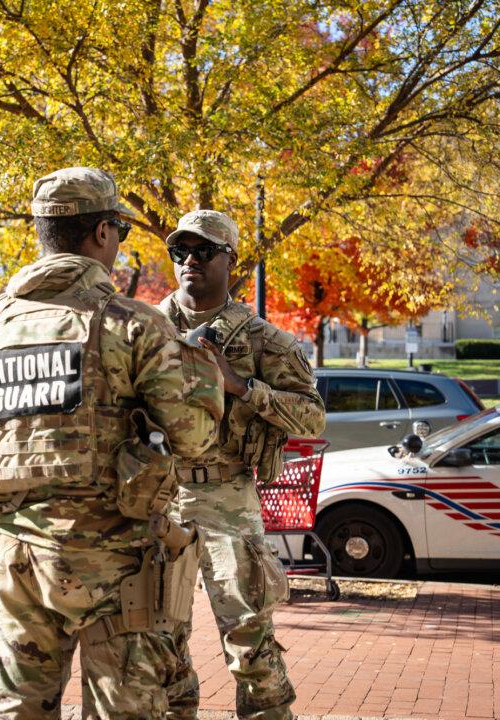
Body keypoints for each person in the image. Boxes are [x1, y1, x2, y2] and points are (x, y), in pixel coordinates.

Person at [0, 167, 225, 719]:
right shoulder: (135, 326)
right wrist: (207, 384)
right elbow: (193, 439)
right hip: (120, 569)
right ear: (101, 234)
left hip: (18, 562)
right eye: (118, 228)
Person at [156, 210, 326, 720]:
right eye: (179, 252)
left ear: (231, 260)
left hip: (226, 497)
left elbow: (312, 418)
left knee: (250, 640)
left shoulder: (264, 341)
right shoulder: (140, 330)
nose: (190, 261)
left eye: (203, 251)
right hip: (157, 499)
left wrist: (242, 387)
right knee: (159, 641)